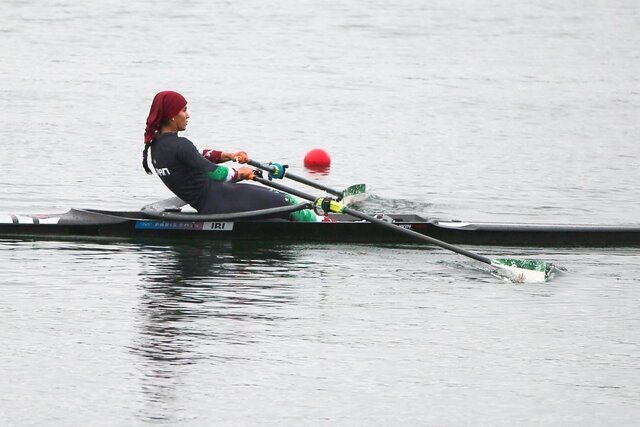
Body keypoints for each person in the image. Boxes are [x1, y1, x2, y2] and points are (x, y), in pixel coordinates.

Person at [142, 90, 327, 221]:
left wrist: (228, 155)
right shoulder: (180, 145)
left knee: (277, 208)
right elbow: (215, 173)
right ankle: (326, 225)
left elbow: (200, 156)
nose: (188, 115)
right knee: (290, 202)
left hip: (209, 204)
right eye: (184, 110)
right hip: (222, 200)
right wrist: (241, 173)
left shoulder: (156, 147)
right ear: (172, 115)